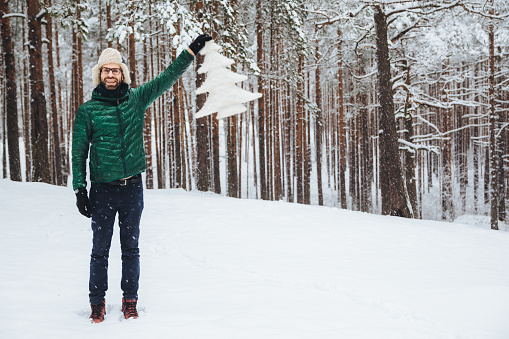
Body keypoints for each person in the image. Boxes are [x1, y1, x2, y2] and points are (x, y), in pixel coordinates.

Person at [72, 34, 212, 323]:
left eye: (115, 70)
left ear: (122, 73)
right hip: (102, 190)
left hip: (132, 188)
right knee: (100, 251)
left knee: (130, 248)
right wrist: (79, 188)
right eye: (106, 70)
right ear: (100, 75)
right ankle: (97, 303)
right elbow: (78, 153)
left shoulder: (136, 99)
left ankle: (130, 300)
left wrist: (189, 52)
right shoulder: (87, 111)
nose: (111, 74)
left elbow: (167, 77)